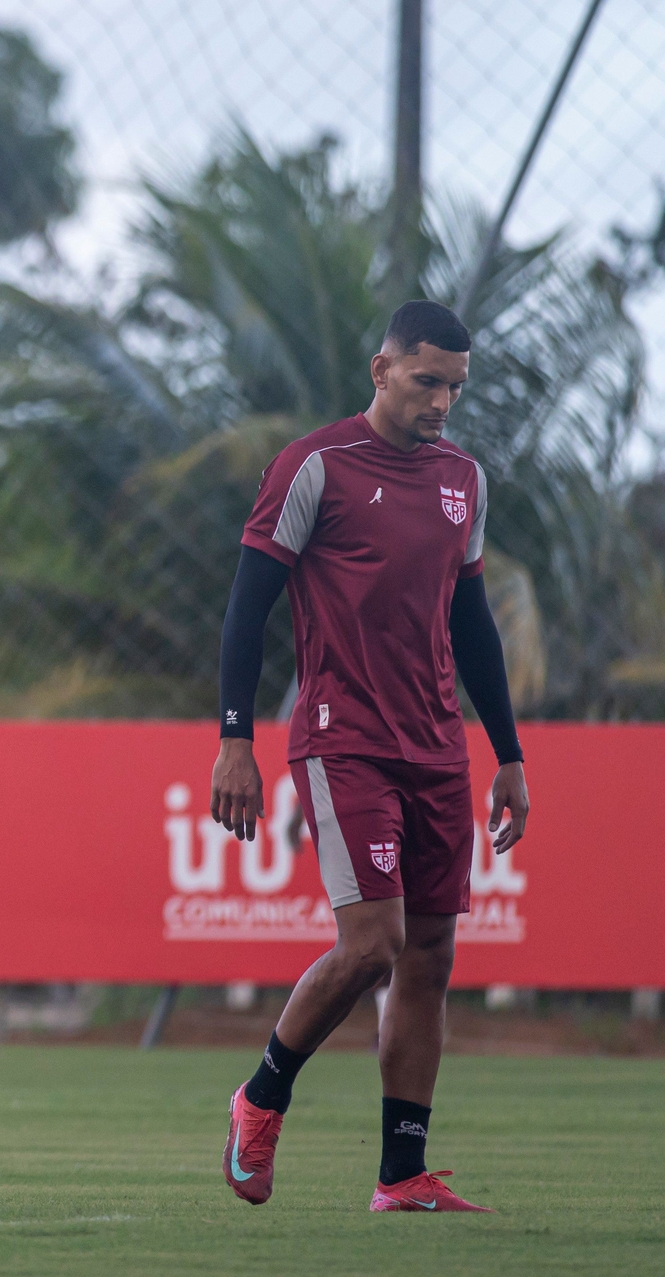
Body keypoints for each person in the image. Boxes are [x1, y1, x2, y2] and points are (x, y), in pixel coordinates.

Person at [209, 300, 528, 1214]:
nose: (442, 401)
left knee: (429, 952)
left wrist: (507, 752)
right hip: (343, 737)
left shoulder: (463, 478)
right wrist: (236, 738)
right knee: (374, 943)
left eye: (457, 387)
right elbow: (246, 610)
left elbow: (472, 624)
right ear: (382, 368)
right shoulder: (315, 466)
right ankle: (260, 1098)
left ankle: (402, 1172)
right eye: (427, 380)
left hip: (437, 746)